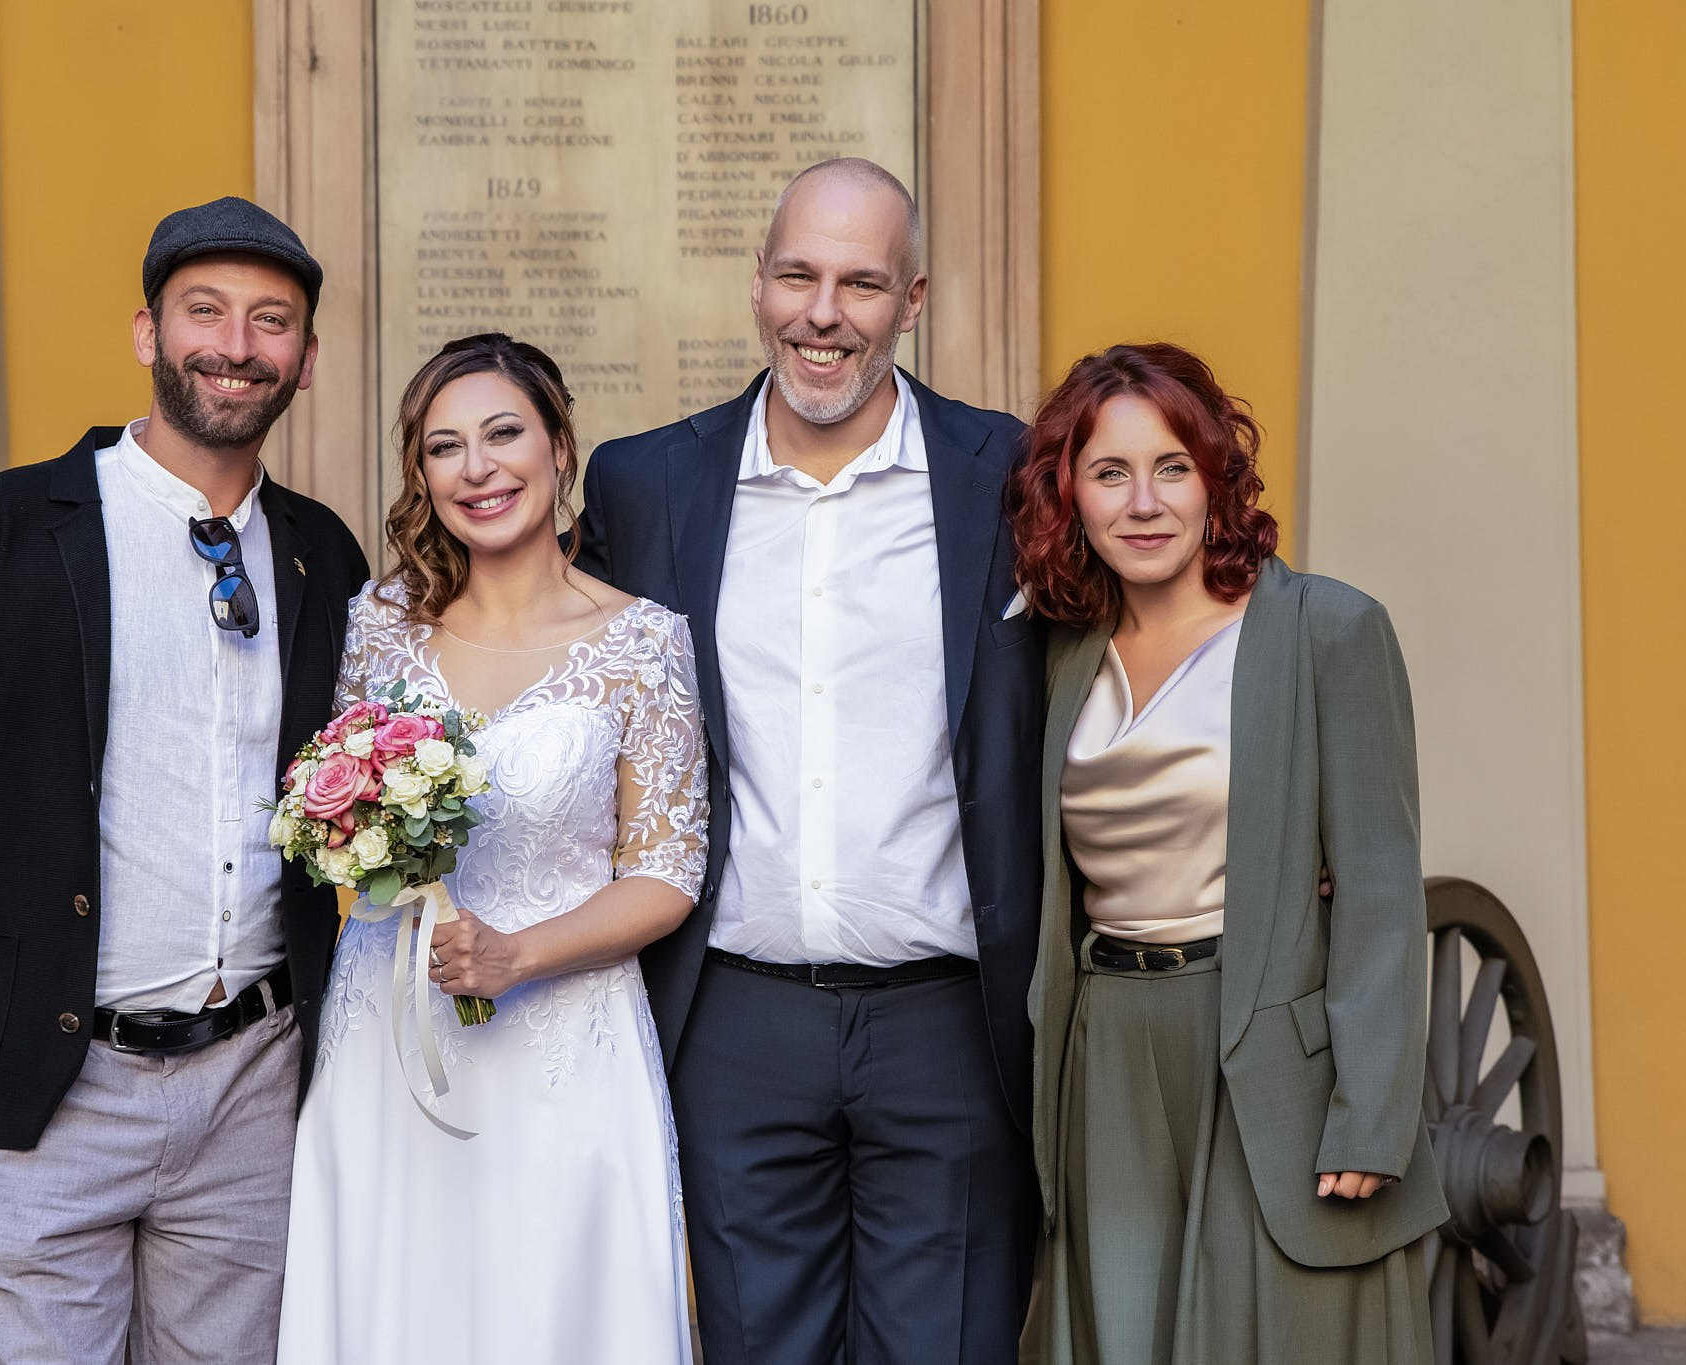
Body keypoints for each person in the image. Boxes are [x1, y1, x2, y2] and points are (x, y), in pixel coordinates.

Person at [0, 197, 371, 1364]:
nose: (235, 345)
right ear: (148, 333)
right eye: (204, 312)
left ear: (305, 358)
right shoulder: (4, 531)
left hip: (254, 1087)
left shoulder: (321, 555)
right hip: (39, 1083)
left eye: (271, 321)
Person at [577, 158, 1044, 1363]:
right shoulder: (646, 484)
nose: (821, 314)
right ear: (757, 285)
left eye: (860, 284)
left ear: (912, 299)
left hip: (950, 1025)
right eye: (797, 276)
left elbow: (1142, 628)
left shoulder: (1007, 476)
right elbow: (549, 665)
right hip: (733, 1019)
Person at [1007, 342, 1449, 1364]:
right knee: (1121, 1334)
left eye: (1172, 466)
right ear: (1069, 494)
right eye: (1109, 472)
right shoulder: (1059, 652)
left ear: (1215, 477)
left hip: (1266, 1049)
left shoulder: (1327, 630)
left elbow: (1380, 890)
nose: (1143, 502)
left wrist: (1370, 1116)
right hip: (1105, 1050)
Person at [275, 333, 707, 1363]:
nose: (478, 469)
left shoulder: (644, 641)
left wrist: (516, 955)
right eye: (445, 447)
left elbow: (666, 872)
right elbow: (332, 810)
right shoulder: (377, 625)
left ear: (559, 447)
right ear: (422, 476)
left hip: (565, 1049)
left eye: (503, 434)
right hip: (391, 1033)